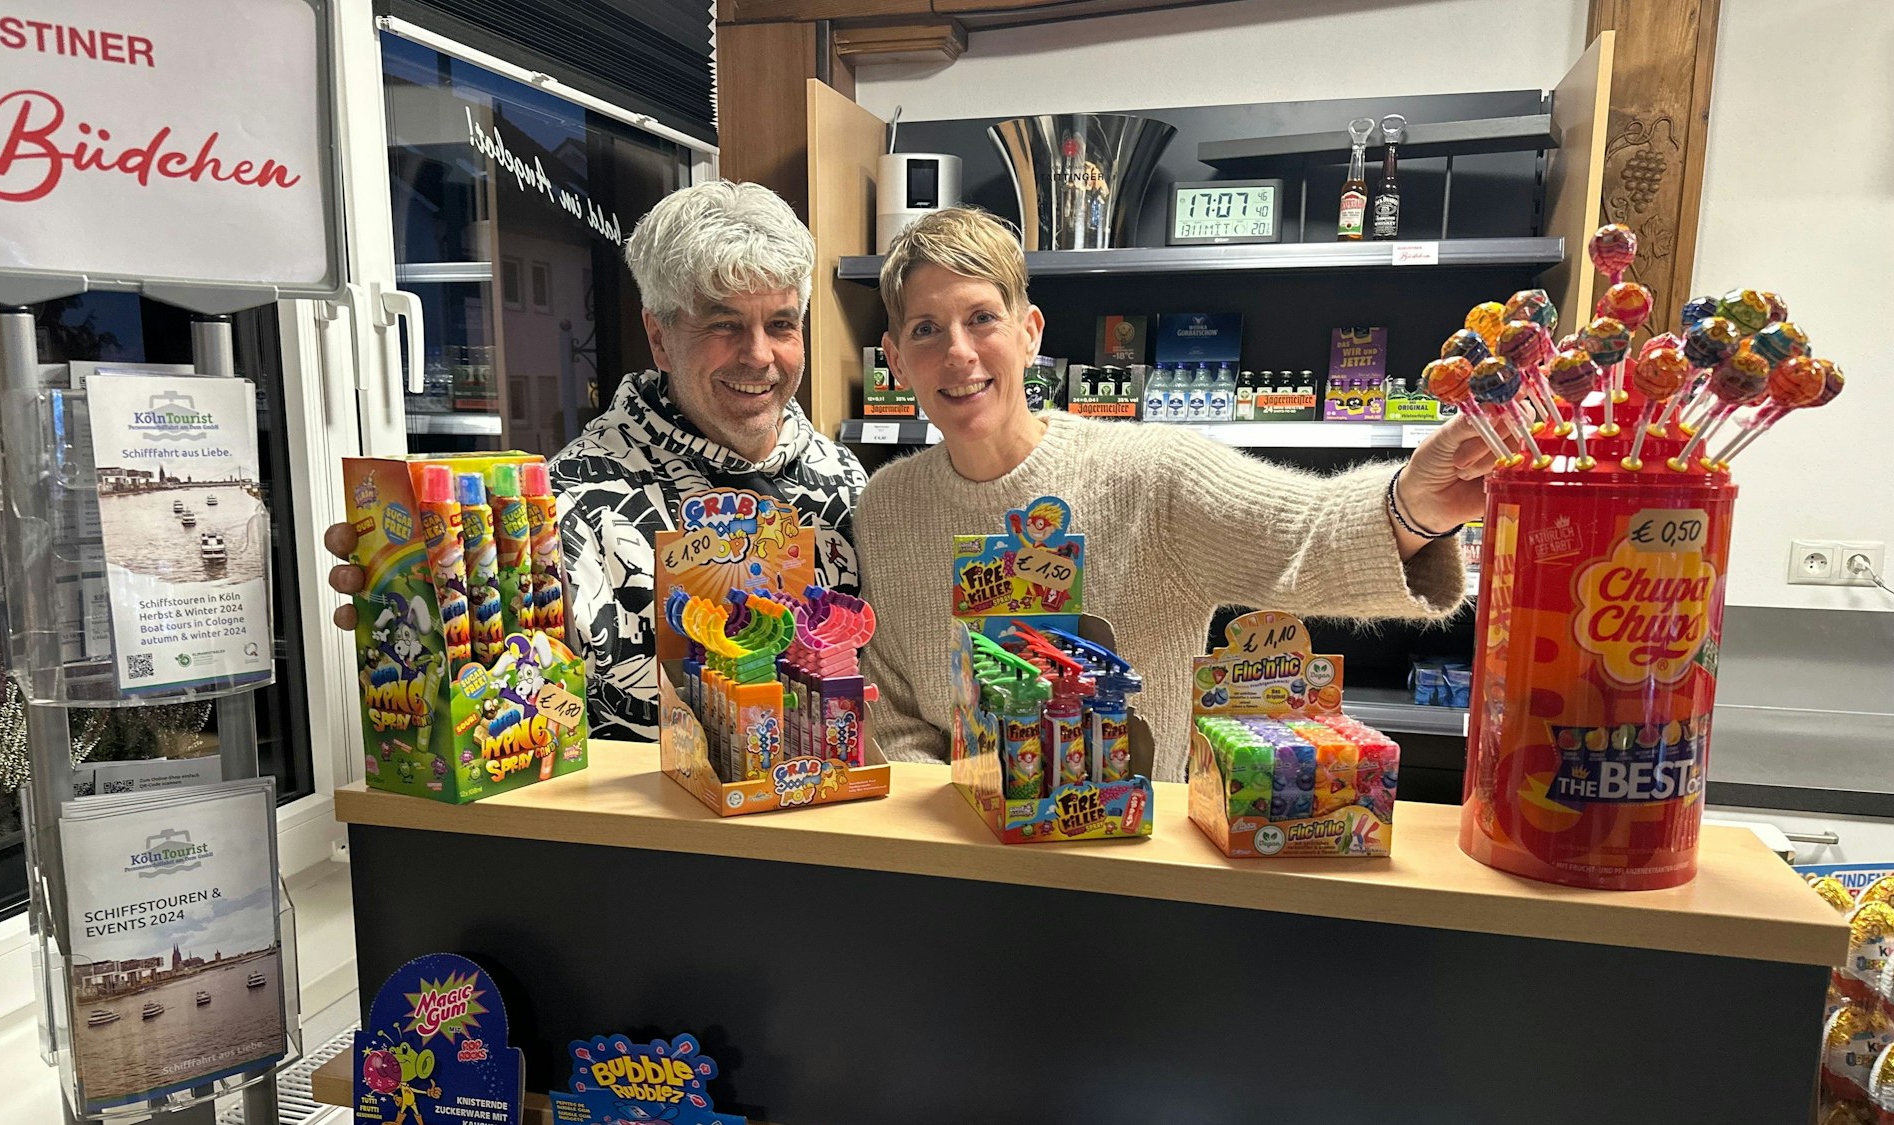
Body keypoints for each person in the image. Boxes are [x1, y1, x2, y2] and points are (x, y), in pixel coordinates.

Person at [854, 207, 1495, 778]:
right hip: (961, 859)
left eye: (982, 318)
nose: (959, 352)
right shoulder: (885, 508)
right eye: (926, 330)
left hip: (1133, 862)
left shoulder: (1151, 475)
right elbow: (896, 716)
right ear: (896, 358)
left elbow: (1302, 535)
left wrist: (1416, 501)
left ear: (1031, 332)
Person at [327, 181, 866, 740]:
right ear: (659, 337)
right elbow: (503, 706)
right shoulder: (565, 509)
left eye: (780, 324)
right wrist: (419, 609)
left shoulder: (846, 484)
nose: (759, 355)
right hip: (648, 826)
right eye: (723, 324)